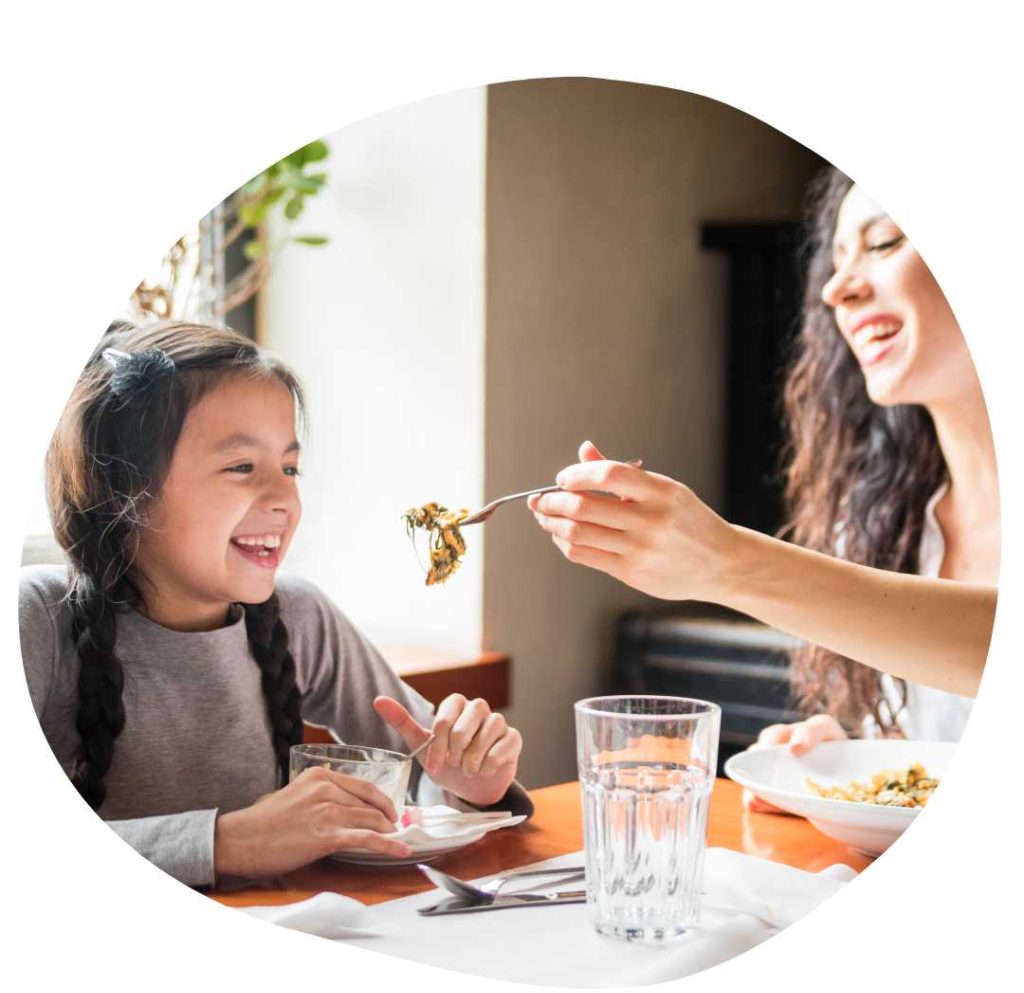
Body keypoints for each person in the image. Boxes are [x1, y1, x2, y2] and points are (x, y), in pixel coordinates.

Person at [529, 167, 998, 804]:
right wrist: (858, 759)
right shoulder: (890, 523)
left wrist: (723, 561)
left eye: (884, 243)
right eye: (835, 259)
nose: (838, 288)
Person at [20, 320, 528, 887]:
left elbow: (429, 777)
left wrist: (471, 785)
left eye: (290, 468)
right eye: (242, 467)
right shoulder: (36, 619)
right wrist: (225, 843)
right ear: (121, 488)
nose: (286, 498)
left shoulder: (299, 615)